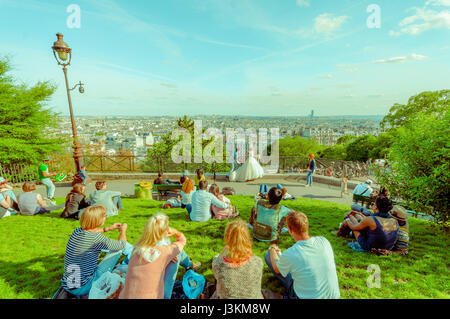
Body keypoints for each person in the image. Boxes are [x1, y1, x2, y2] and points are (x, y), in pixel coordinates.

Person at [120, 213, 200, 299]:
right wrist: (176, 232)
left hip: (125, 296)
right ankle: (190, 265)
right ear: (165, 231)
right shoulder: (164, 251)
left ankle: (190, 265)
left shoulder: (135, 249)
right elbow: (182, 241)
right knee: (177, 253)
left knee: (173, 255)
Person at [265, 211, 340, 299]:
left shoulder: (291, 253)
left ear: (290, 230)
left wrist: (272, 249)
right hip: (334, 296)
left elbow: (276, 268)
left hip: (303, 296)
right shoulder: (324, 241)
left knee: (268, 256)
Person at [61, 205, 133, 297]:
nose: (105, 217)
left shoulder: (77, 231)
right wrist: (123, 231)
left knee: (107, 246)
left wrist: (107, 229)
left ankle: (134, 251)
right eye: (104, 216)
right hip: (84, 288)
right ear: (98, 220)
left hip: (68, 285)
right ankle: (136, 253)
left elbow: (91, 232)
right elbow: (121, 245)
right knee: (117, 249)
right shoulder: (97, 238)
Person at [211, 219, 264, 299]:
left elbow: (218, 259)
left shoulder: (218, 265)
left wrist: (225, 249)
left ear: (227, 238)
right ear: (246, 237)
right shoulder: (258, 262)